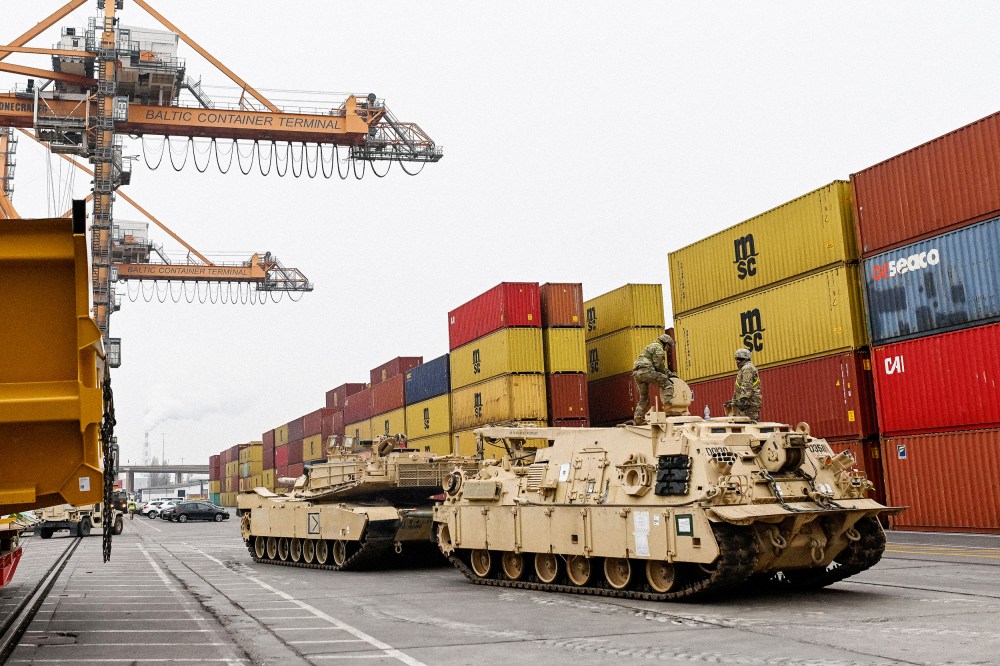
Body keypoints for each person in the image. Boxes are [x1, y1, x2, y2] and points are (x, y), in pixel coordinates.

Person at [632, 333, 676, 425]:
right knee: (668, 384)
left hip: (637, 374)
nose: (667, 348)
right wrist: (668, 376)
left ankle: (638, 418)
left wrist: (669, 374)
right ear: (665, 343)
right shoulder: (658, 348)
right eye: (668, 346)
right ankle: (668, 410)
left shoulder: (649, 347)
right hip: (647, 371)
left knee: (644, 398)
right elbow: (659, 365)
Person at [725, 348, 762, 421]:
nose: (737, 362)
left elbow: (747, 385)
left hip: (749, 404)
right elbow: (740, 388)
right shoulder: (744, 369)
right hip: (746, 403)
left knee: (749, 425)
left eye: (738, 359)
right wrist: (734, 401)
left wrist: (743, 400)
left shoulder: (747, 368)